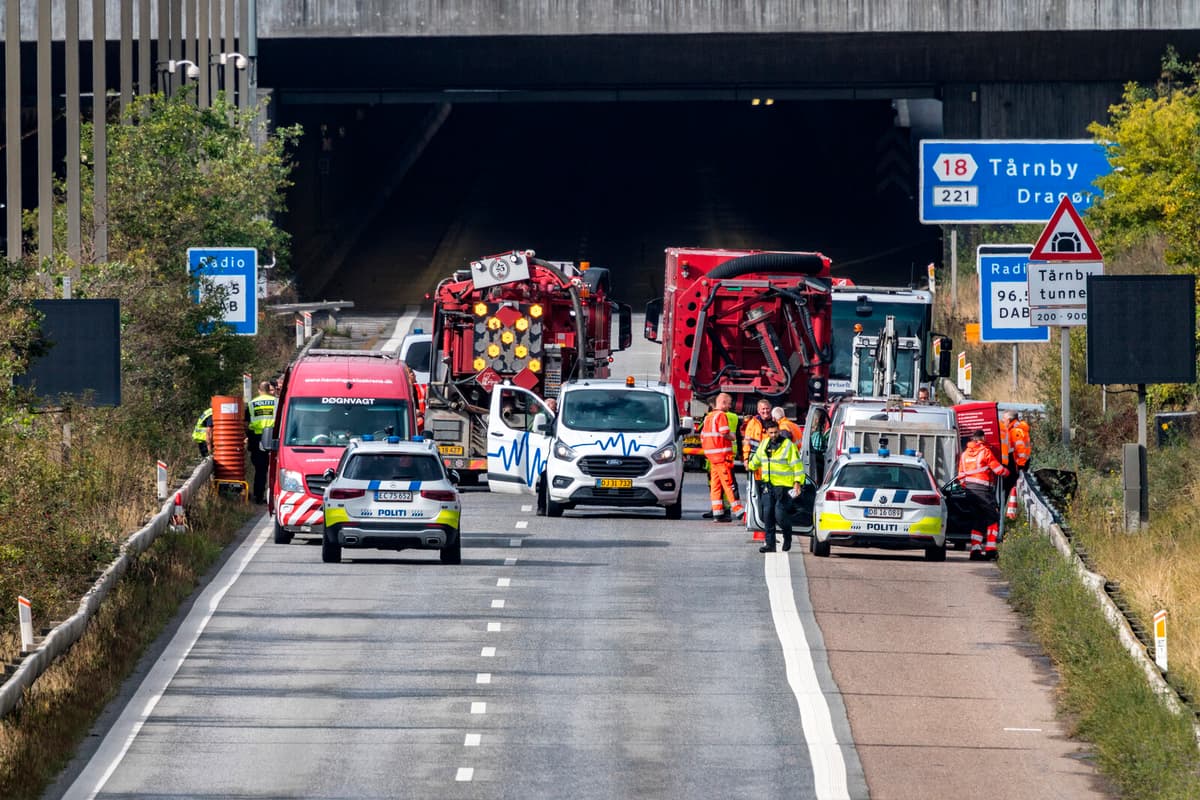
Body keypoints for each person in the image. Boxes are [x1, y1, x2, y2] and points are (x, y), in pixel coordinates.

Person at [747, 420, 805, 553]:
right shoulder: (764, 444)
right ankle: (770, 544)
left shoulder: (788, 445)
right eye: (771, 432)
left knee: (780, 515)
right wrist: (749, 466)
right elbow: (756, 460)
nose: (773, 435)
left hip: (784, 487)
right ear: (767, 433)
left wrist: (797, 482)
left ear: (779, 430)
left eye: (775, 432)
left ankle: (787, 535)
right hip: (768, 485)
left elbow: (797, 465)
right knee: (768, 515)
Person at [956, 428, 1009, 560]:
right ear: (983, 439)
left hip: (969, 491)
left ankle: (975, 551)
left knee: (977, 520)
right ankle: (991, 549)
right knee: (993, 518)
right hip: (983, 490)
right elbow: (997, 469)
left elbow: (961, 476)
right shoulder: (985, 452)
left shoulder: (964, 455)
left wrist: (968, 487)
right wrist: (1008, 473)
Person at [701, 392, 744, 523]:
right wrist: (733, 437)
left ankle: (718, 512)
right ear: (723, 403)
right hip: (722, 456)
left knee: (716, 484)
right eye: (729, 404)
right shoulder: (721, 415)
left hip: (711, 456)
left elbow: (702, 435)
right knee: (729, 484)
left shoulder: (709, 417)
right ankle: (740, 513)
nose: (729, 407)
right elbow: (725, 433)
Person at [247, 381, 277, 504]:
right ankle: (274, 496)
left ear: (259, 390)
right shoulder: (277, 402)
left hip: (257, 438)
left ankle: (259, 496)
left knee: (260, 470)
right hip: (274, 437)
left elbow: (245, 424)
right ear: (269, 390)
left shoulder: (251, 404)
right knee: (276, 468)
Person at [999, 409, 1031, 497]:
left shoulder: (1015, 431)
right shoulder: (1019, 429)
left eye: (1004, 420)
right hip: (1021, 463)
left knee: (1010, 488)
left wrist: (1020, 466)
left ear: (1009, 420)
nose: (1002, 421)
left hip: (1018, 465)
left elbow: (1020, 450)